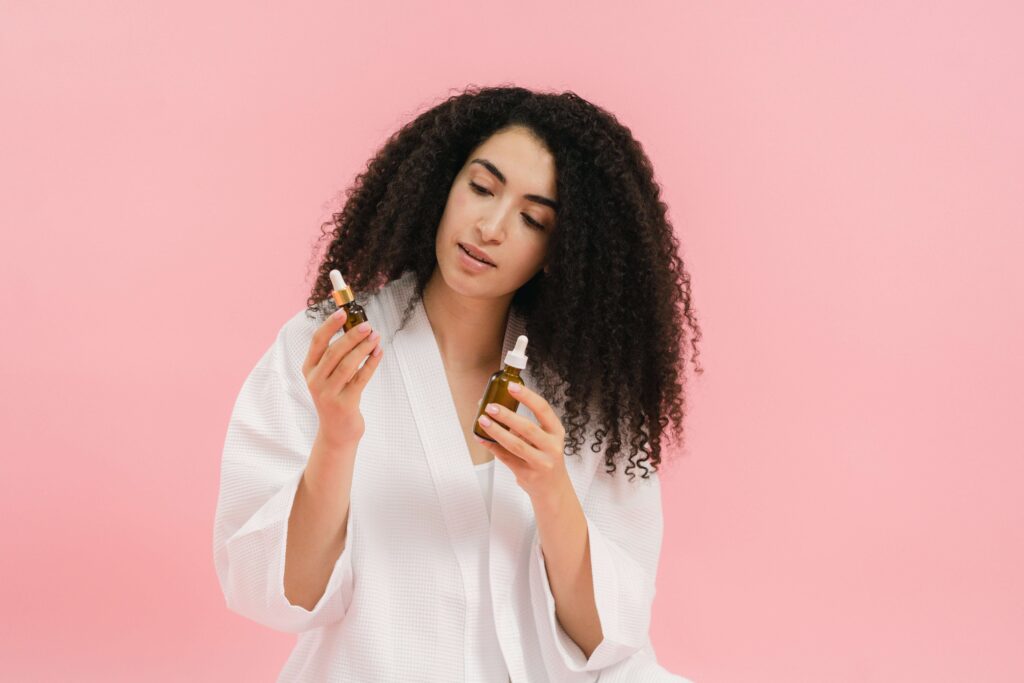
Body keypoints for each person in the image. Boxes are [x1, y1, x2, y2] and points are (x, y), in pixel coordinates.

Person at [213, 85, 702, 682]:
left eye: (532, 218)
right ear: (442, 184)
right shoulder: (325, 345)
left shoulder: (588, 389)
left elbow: (608, 641)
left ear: (560, 250)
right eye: (480, 187)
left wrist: (550, 488)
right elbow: (281, 596)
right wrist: (336, 438)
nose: (491, 227)